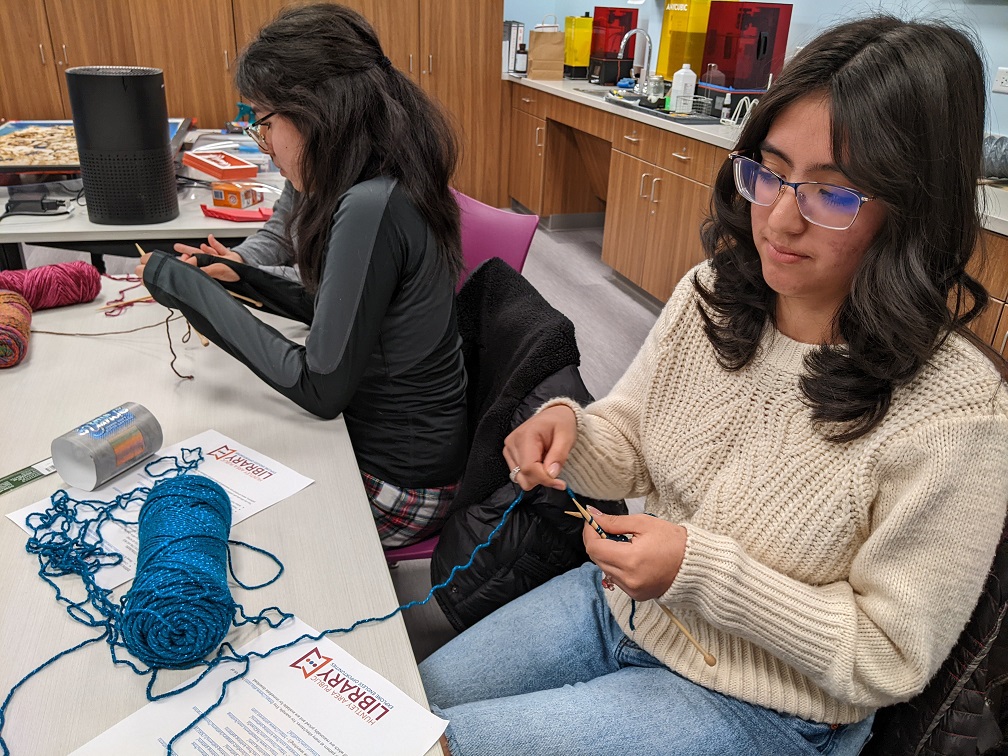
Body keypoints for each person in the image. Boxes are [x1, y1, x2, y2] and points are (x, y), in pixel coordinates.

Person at [419, 15, 1008, 755]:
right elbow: (632, 440)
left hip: (769, 708)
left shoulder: (956, 413)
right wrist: (570, 433)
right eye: (771, 173)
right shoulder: (716, 293)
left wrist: (700, 572)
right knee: (406, 707)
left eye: (834, 195)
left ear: (912, 212)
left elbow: (891, 655)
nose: (780, 220)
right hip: (625, 610)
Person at [137, 3, 468, 548]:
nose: (265, 145)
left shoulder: (369, 206)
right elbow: (344, 312)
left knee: (183, 494)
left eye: (265, 123)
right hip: (406, 457)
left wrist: (183, 287)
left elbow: (320, 387)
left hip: (400, 487)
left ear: (316, 112)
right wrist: (242, 278)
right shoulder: (386, 180)